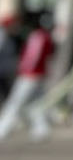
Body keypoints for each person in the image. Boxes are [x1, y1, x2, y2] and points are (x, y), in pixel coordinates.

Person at [0, 12, 55, 140]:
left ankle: (3, 128)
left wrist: (23, 70)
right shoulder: (45, 37)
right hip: (38, 75)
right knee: (37, 103)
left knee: (15, 102)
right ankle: (41, 129)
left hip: (30, 75)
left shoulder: (37, 37)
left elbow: (32, 57)